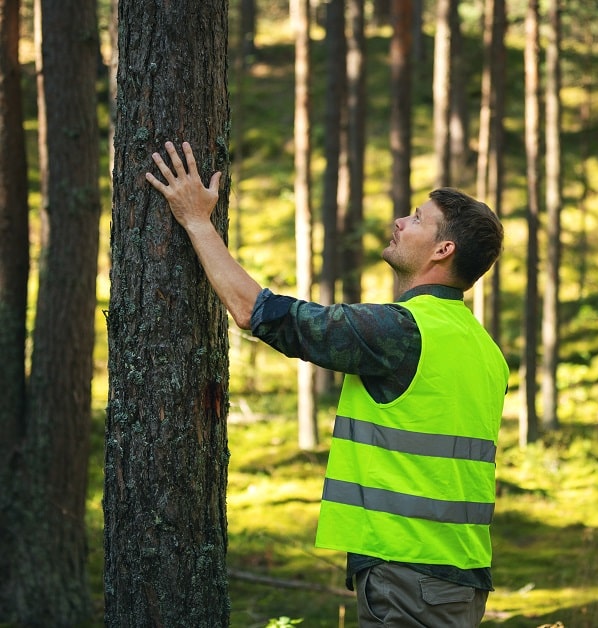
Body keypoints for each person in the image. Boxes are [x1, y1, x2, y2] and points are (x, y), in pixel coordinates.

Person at [147, 141, 509, 627]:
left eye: (418, 219)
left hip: (407, 576)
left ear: (444, 250)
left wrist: (196, 221)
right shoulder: (483, 348)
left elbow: (259, 312)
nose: (400, 221)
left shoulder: (402, 332)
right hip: (457, 578)